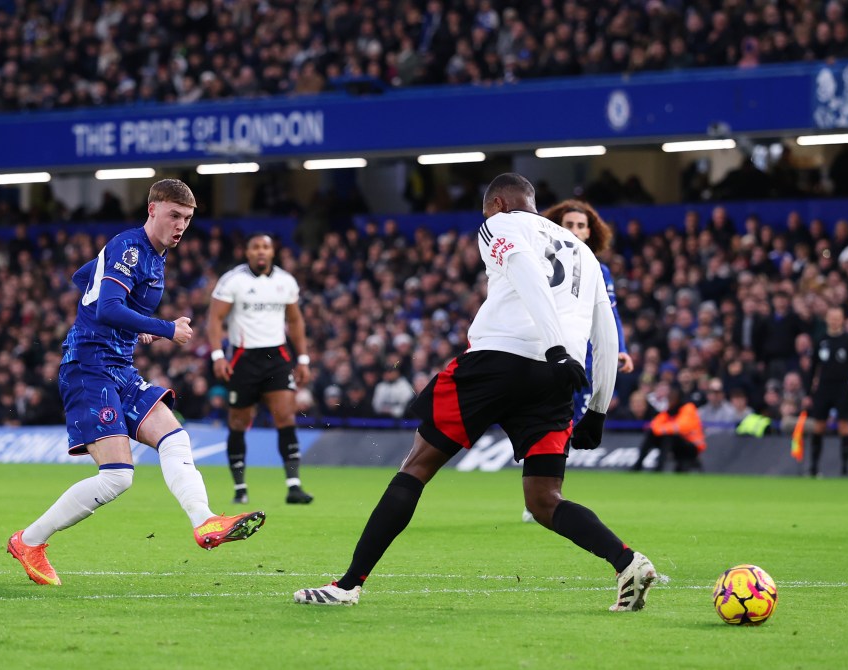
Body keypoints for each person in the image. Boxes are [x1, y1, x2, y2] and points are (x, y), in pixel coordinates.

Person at [292, 173, 657, 611]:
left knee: (417, 465)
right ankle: (627, 561)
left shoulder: (501, 223)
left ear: (498, 203)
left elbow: (523, 271)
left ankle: (347, 585)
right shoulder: (584, 252)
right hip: (558, 380)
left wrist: (554, 343)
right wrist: (598, 408)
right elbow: (607, 332)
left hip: (498, 361)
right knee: (545, 499)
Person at [7, 180, 265, 586]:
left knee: (175, 438)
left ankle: (205, 522)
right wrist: (161, 328)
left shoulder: (154, 256)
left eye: (188, 219)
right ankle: (28, 541)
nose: (181, 225)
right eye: (174, 215)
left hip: (119, 366)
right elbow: (107, 306)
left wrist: (130, 323)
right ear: (152, 210)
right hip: (89, 368)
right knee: (117, 477)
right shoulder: (131, 248)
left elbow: (85, 278)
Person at [521, 198, 634, 523]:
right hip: (547, 355)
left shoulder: (600, 271)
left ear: (590, 233)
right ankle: (541, 496)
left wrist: (619, 348)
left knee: (566, 426)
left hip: (583, 361)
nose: (573, 230)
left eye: (580, 225)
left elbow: (609, 314)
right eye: (568, 224)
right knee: (546, 423)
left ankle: (544, 496)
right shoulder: (540, 261)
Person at [208, 233, 314, 505]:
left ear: (272, 251)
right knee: (238, 423)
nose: (261, 252)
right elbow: (215, 319)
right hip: (243, 359)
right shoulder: (233, 280)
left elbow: (295, 321)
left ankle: (294, 485)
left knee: (286, 418)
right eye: (255, 247)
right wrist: (218, 355)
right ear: (247, 252)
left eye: (266, 247)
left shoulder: (285, 282)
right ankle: (240, 489)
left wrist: (302, 358)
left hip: (277, 357)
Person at [808, 307, 848, 477]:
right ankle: (814, 467)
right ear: (827, 319)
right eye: (831, 318)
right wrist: (808, 391)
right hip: (824, 387)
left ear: (843, 320)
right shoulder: (820, 340)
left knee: (844, 426)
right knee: (819, 426)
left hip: (842, 387)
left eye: (837, 318)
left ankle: (845, 468)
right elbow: (813, 368)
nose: (834, 321)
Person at [632, 386, 706, 473]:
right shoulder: (669, 411)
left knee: (668, 436)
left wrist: (663, 429)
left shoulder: (688, 408)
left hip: (692, 447)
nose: (670, 400)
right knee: (652, 434)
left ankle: (659, 468)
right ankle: (638, 466)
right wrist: (662, 429)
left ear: (678, 398)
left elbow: (682, 427)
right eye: (669, 398)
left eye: (672, 398)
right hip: (676, 444)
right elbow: (654, 425)